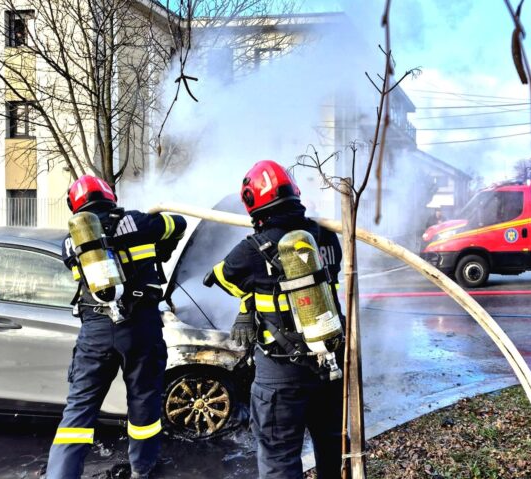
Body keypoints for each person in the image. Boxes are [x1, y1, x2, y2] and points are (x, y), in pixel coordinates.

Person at [205, 160, 346, 478]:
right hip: (331, 366)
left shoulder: (251, 249)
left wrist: (246, 304)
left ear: (252, 203)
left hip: (281, 372)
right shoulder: (324, 235)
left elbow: (217, 277)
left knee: (279, 460)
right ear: (295, 193)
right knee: (331, 453)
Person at [47, 175, 187, 479]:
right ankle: (141, 469)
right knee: (143, 401)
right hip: (140, 327)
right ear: (110, 195)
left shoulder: (70, 244)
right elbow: (178, 223)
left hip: (95, 328)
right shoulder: (137, 222)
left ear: (75, 206)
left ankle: (60, 474)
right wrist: (160, 246)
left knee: (80, 408)